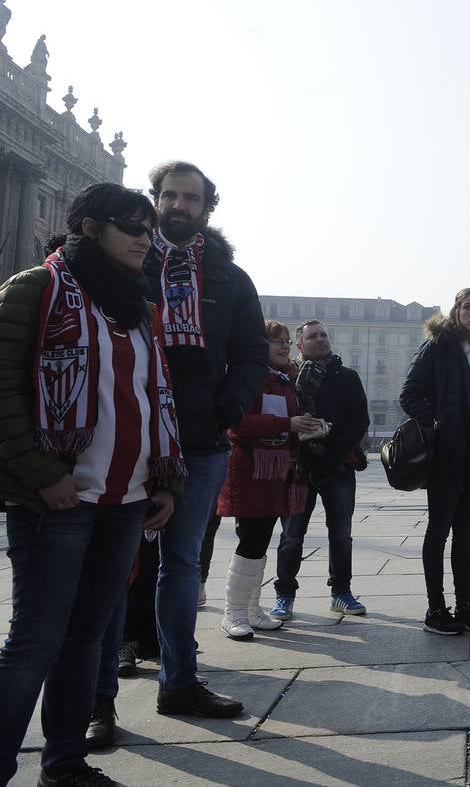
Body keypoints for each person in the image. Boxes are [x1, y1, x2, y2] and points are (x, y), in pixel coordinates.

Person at [0, 183, 182, 786]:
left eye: (147, 228)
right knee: (35, 643)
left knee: (85, 640)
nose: (142, 238)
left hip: (126, 499)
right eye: (129, 225)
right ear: (89, 226)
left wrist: (165, 480)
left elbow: (153, 397)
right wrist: (42, 472)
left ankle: (65, 765)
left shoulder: (139, 307)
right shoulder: (38, 289)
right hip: (60, 499)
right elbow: (2, 393)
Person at [123, 161, 267, 721]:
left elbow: (252, 351)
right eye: (170, 195)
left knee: (182, 562)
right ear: (155, 199)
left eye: (191, 198)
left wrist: (226, 407)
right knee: (115, 561)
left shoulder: (229, 275)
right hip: (129, 432)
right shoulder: (129, 260)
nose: (179, 205)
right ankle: (99, 697)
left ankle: (179, 680)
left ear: (207, 207)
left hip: (202, 437)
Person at [399, 288, 470, 635]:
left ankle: (464, 605)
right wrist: (438, 424)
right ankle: (435, 609)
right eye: (467, 307)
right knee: (439, 530)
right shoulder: (439, 345)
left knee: (465, 533)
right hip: (447, 455)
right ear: (456, 310)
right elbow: (409, 394)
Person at [215, 319, 318, 640]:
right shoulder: (250, 377)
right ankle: (233, 612)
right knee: (251, 540)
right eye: (277, 341)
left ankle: (251, 609)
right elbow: (237, 423)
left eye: (287, 341)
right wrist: (288, 423)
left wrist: (306, 428)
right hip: (250, 471)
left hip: (276, 472)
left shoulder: (286, 379)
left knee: (260, 541)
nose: (285, 346)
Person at [271, 320, 370, 619]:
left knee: (341, 533)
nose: (320, 339)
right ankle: (284, 593)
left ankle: (341, 592)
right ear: (299, 345)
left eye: (324, 335)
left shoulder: (347, 377)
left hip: (338, 465)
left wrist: (331, 454)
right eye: (312, 336)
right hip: (299, 466)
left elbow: (359, 421)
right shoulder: (288, 377)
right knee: (292, 534)